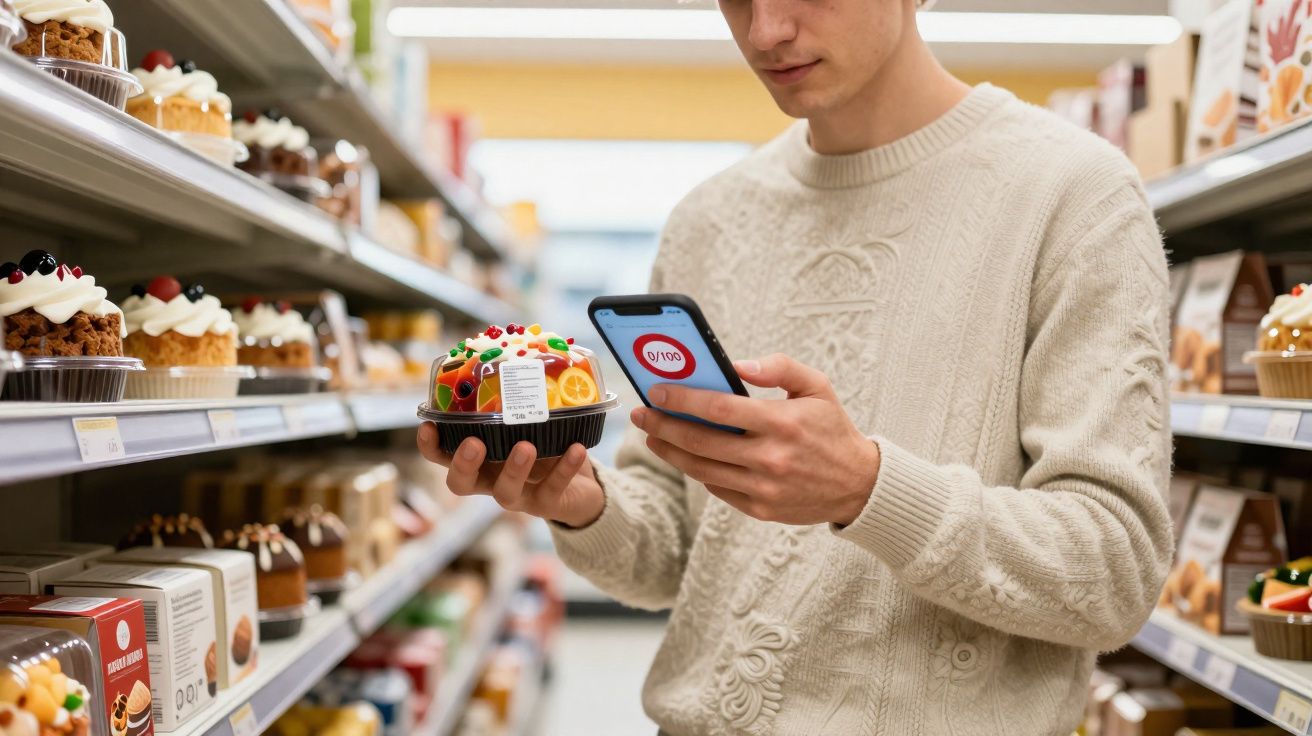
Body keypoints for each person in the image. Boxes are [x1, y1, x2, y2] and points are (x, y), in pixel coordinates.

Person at [417, 0, 1174, 732]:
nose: (766, 30)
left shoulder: (1077, 195)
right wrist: (583, 503)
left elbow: (1115, 574)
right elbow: (671, 560)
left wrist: (866, 488)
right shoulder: (711, 219)